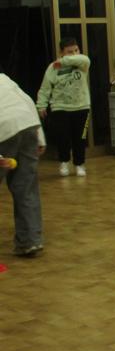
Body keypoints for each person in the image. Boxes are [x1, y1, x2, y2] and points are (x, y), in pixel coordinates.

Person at [0, 71, 46, 257]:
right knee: (26, 187)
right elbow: (27, 101)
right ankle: (30, 241)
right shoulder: (4, 78)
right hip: (28, 126)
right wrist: (40, 137)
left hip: (3, 129)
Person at [36, 37, 91, 177]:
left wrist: (64, 60)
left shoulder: (82, 63)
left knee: (80, 139)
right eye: (70, 52)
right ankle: (64, 162)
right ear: (61, 52)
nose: (74, 54)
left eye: (76, 50)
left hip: (82, 106)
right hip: (60, 108)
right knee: (63, 138)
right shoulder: (53, 68)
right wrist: (41, 105)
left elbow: (85, 59)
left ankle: (79, 164)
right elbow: (45, 88)